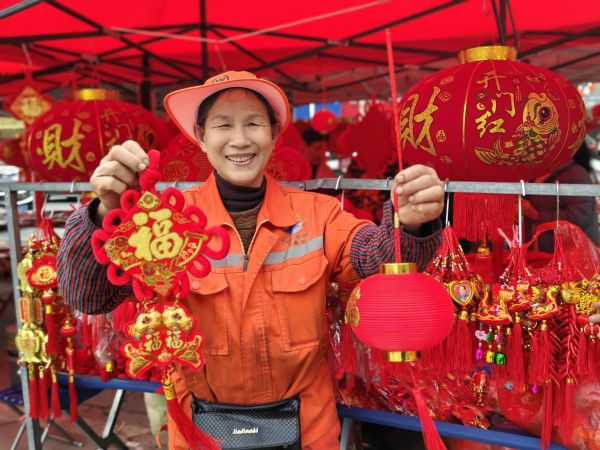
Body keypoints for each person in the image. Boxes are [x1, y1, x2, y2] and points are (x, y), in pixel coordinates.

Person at [57, 70, 445, 449]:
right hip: (202, 436)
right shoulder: (165, 223)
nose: (240, 140)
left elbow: (376, 259)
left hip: (308, 434)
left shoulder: (319, 214)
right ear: (201, 137)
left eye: (254, 124)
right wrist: (102, 214)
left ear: (274, 134)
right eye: (223, 125)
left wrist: (411, 224)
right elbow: (88, 296)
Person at [523, 141, 600, 252]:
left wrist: (536, 215)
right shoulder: (537, 172)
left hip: (574, 254)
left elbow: (579, 217)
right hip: (544, 251)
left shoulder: (576, 175)